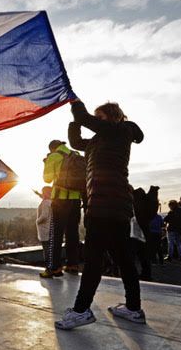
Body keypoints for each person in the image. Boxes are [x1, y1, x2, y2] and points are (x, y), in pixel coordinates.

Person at [55, 99, 145, 330]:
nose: (97, 120)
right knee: (124, 259)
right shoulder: (100, 140)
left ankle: (81, 310)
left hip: (106, 205)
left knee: (93, 260)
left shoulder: (120, 131)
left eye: (100, 116)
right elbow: (76, 142)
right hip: (110, 205)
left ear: (113, 116)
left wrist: (75, 102)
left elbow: (85, 119)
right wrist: (73, 122)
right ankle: (134, 309)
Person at [40, 139, 82, 278]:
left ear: (52, 148)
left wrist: (47, 163)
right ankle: (73, 265)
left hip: (60, 200)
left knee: (56, 234)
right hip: (76, 199)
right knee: (72, 233)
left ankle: (54, 268)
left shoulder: (54, 156)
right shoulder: (75, 155)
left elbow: (47, 179)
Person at [35, 187, 53, 266]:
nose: (42, 194)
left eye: (43, 192)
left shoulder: (45, 203)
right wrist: (37, 193)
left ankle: (48, 266)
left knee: (46, 250)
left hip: (45, 230)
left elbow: (44, 216)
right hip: (49, 229)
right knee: (49, 249)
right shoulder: (51, 202)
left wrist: (37, 221)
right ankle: (50, 266)